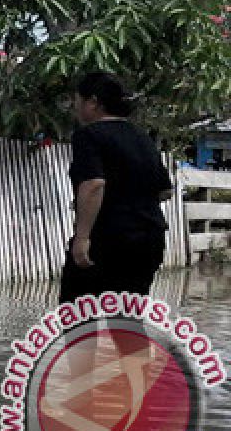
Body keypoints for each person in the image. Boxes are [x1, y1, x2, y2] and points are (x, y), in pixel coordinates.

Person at [60, 72, 174, 303]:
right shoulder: (141, 136)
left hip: (109, 240)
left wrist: (82, 238)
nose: (76, 108)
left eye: (77, 101)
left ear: (93, 103)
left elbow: (94, 184)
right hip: (148, 240)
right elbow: (165, 190)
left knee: (77, 318)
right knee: (127, 321)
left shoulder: (89, 135)